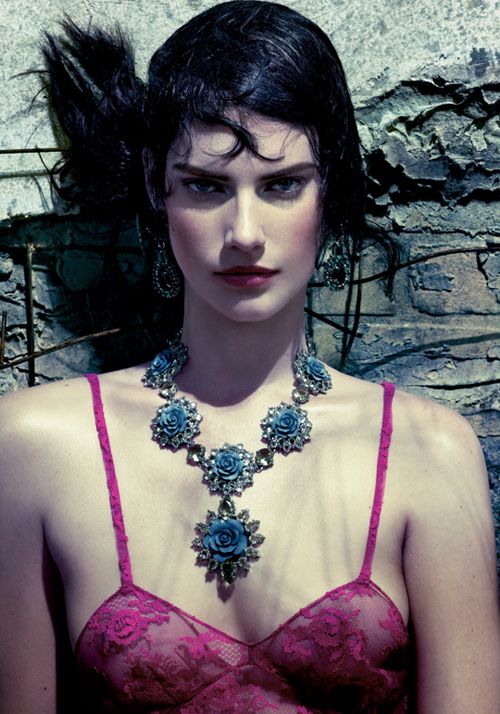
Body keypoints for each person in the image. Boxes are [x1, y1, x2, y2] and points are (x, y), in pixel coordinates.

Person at [0, 2, 498, 712]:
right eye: (206, 186)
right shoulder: (34, 445)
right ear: (158, 189)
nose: (244, 233)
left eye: (282, 184)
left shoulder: (429, 451)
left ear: (329, 193)